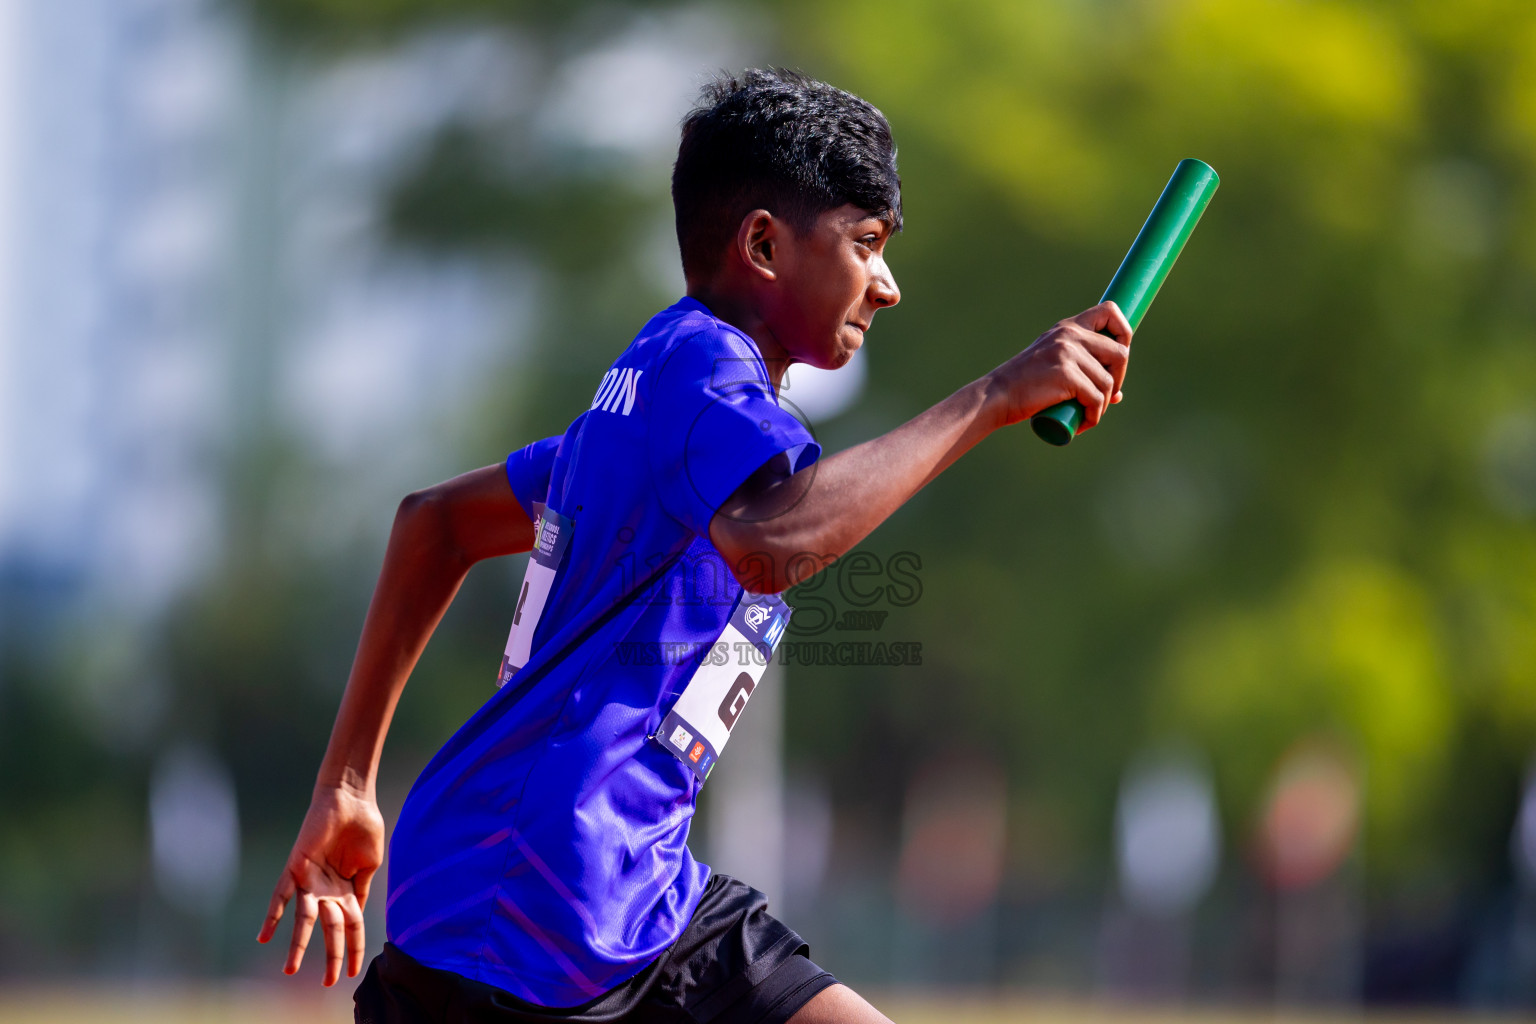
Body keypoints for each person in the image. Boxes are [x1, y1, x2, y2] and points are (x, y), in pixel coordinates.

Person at [258, 67, 1132, 1024]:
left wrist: (349, 783)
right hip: (524, 903)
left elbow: (438, 522)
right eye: (865, 243)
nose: (887, 285)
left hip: (635, 886)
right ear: (763, 243)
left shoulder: (654, 405)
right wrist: (992, 397)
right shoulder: (701, 362)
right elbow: (774, 542)